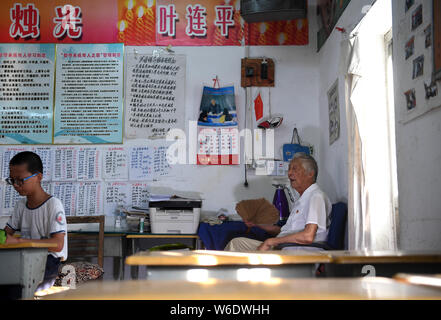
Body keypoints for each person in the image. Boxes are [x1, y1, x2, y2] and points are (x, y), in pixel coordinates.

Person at [224, 152, 331, 251]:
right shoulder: (303, 199)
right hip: (285, 247)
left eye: (295, 169)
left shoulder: (316, 197)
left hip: (298, 252)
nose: (289, 173)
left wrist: (272, 241)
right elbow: (283, 231)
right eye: (289, 169)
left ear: (310, 174)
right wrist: (257, 224)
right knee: (237, 243)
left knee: (236, 245)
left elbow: (308, 236)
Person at [3, 151, 67, 291]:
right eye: (12, 180)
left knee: (14, 289)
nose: (15, 185)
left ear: (38, 177)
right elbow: (5, 234)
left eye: (20, 180)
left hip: (48, 264)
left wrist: (18, 242)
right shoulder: (21, 205)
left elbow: (57, 244)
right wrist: (4, 237)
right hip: (24, 260)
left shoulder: (53, 205)